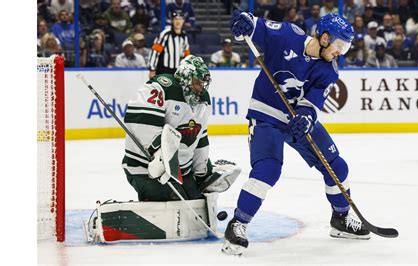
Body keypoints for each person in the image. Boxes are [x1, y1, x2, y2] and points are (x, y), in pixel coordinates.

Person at [223, 11, 370, 255]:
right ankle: (238, 224)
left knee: (337, 166)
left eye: (345, 49)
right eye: (339, 46)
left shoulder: (329, 70)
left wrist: (305, 117)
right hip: (266, 115)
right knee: (268, 169)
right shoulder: (287, 35)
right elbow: (254, 26)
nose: (340, 53)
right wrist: (244, 22)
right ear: (324, 38)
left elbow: (311, 102)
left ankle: (340, 220)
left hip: (296, 121)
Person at [122, 55, 239, 203]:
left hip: (181, 172)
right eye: (197, 82)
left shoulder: (203, 100)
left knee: (196, 199)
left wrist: (203, 172)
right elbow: (141, 124)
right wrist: (159, 155)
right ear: (186, 78)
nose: (201, 88)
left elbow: (199, 136)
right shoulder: (161, 88)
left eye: (203, 83)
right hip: (144, 169)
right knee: (172, 198)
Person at [148, 10, 190, 77]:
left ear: (183, 21)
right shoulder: (165, 34)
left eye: (180, 19)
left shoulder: (184, 36)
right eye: (175, 19)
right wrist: (152, 69)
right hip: (163, 71)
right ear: (172, 21)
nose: (178, 21)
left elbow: (186, 55)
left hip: (177, 71)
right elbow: (155, 51)